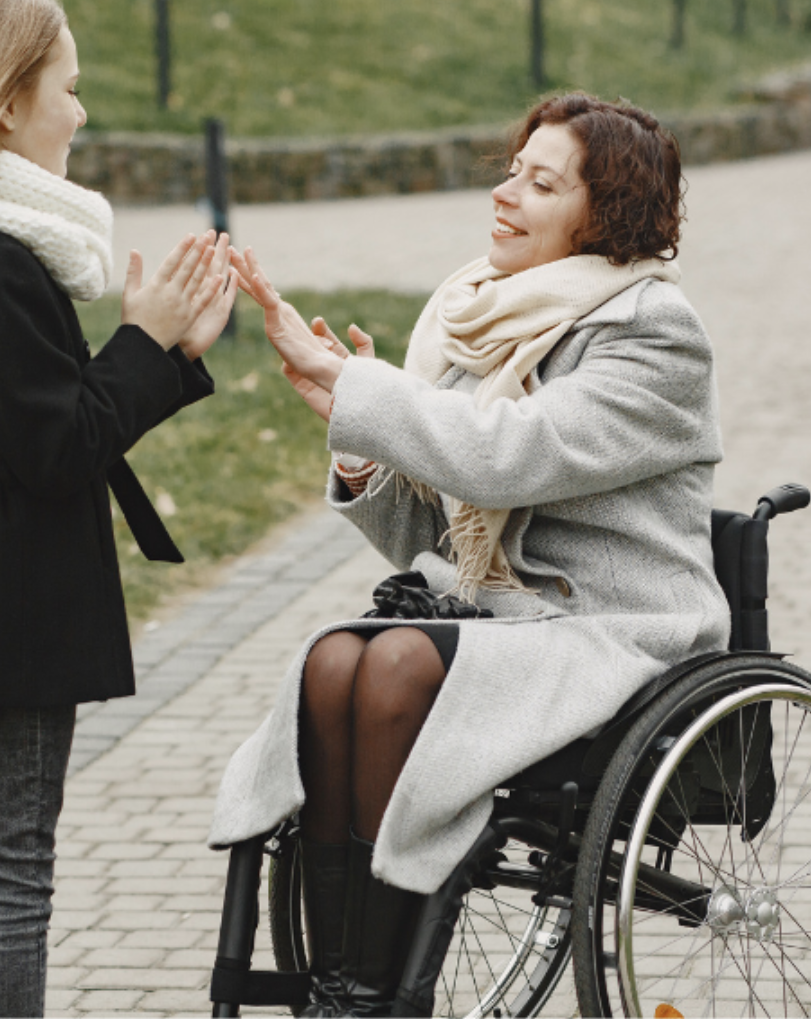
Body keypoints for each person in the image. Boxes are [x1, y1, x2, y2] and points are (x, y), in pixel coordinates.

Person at [210, 92, 726, 1015]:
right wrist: (363, 440)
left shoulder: (655, 334)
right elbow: (435, 538)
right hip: (502, 620)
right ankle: (341, 982)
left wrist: (356, 384)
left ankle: (381, 995)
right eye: (510, 171)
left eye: (540, 183)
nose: (505, 194)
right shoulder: (478, 314)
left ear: (602, 215)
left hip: (614, 631)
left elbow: (510, 453)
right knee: (335, 662)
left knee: (400, 659)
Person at [0, 0, 236, 1017]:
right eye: (68, 85)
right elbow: (59, 445)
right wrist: (144, 342)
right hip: (3, 602)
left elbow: (42, 419)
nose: (81, 108)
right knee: (8, 874)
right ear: (7, 103)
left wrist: (158, 355)